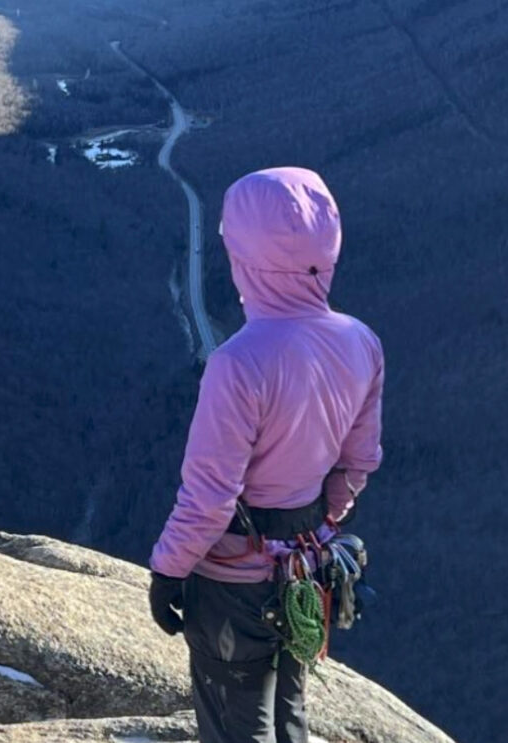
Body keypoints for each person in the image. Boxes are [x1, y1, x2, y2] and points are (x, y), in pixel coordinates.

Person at [147, 167, 384, 743]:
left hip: (233, 579)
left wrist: (168, 570)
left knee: (236, 722)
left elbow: (210, 497)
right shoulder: (361, 341)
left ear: (246, 259)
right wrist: (315, 523)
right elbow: (357, 464)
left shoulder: (239, 363)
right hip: (306, 569)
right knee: (290, 713)